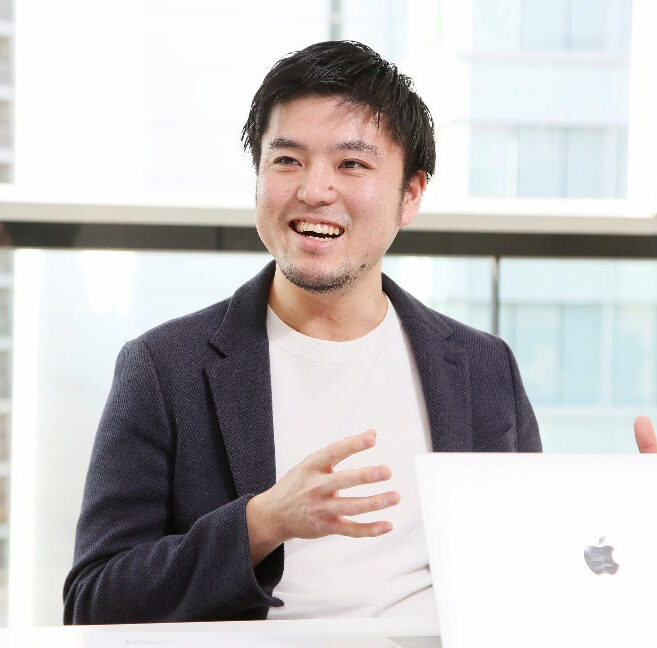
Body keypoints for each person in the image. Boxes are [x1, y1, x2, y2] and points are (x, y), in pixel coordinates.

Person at [63, 40, 656, 625]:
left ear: (410, 195)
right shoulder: (164, 367)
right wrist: (263, 522)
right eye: (287, 160)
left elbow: (533, 576)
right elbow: (93, 601)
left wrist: (634, 524)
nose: (314, 190)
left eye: (352, 164)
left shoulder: (484, 367)